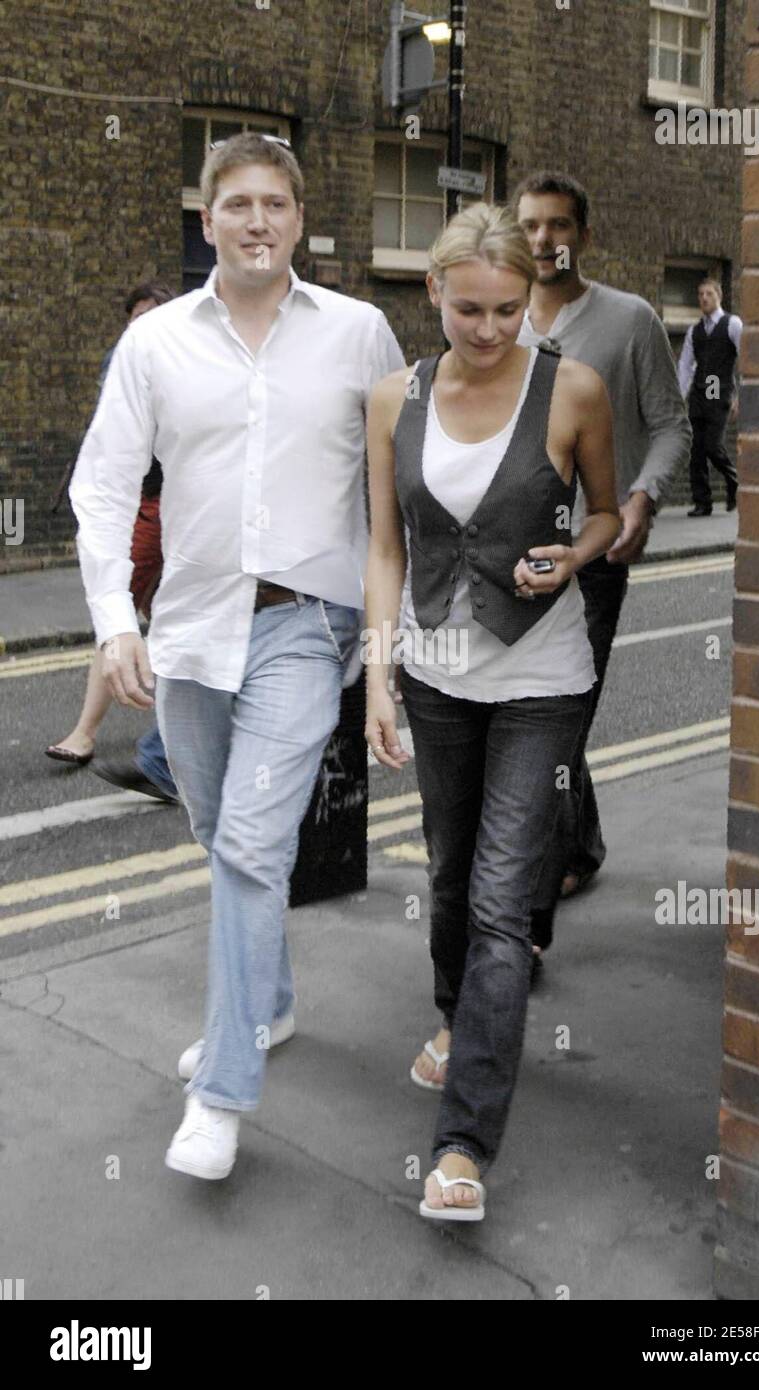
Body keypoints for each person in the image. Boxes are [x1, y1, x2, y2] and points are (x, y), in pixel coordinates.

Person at [69, 132, 404, 1180]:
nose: (256, 221)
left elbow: (407, 478)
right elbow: (103, 484)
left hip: (306, 624)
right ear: (205, 218)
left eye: (274, 204)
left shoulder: (357, 333)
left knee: (253, 849)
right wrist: (115, 619)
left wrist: (396, 638)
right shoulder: (156, 342)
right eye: (235, 204)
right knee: (221, 835)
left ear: (298, 221)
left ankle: (220, 1092)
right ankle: (271, 1000)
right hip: (192, 630)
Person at [364, 203, 620, 1220]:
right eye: (467, 309)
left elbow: (606, 512)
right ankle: (453, 1016)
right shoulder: (391, 398)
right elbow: (384, 547)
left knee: (501, 905)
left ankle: (463, 1144)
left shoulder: (574, 391)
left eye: (507, 310)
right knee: (448, 878)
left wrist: (575, 551)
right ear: (432, 293)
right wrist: (377, 676)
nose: (486, 329)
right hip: (432, 678)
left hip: (539, 682)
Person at [514, 171, 691, 947]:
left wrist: (642, 498)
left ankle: (520, 925)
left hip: (596, 552)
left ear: (582, 234)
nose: (544, 241)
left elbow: (670, 425)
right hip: (515, 550)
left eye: (558, 226)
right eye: (530, 227)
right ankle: (578, 845)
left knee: (553, 723)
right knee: (533, 713)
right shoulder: (497, 320)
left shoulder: (629, 320)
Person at [46, 280, 178, 804]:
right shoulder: (124, 361)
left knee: (179, 621)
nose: (141, 325)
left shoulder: (191, 360)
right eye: (135, 316)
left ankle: (165, 749)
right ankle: (88, 734)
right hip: (143, 508)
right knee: (121, 617)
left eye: (152, 315)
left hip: (183, 511)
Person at [677, 277, 741, 517]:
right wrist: (678, 399)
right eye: (700, 294)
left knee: (713, 446)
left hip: (721, 394)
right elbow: (684, 366)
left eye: (709, 294)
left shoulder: (733, 324)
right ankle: (702, 502)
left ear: (719, 296)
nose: (704, 298)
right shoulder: (694, 331)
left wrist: (741, 396)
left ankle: (733, 481)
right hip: (699, 396)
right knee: (696, 451)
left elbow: (746, 357)